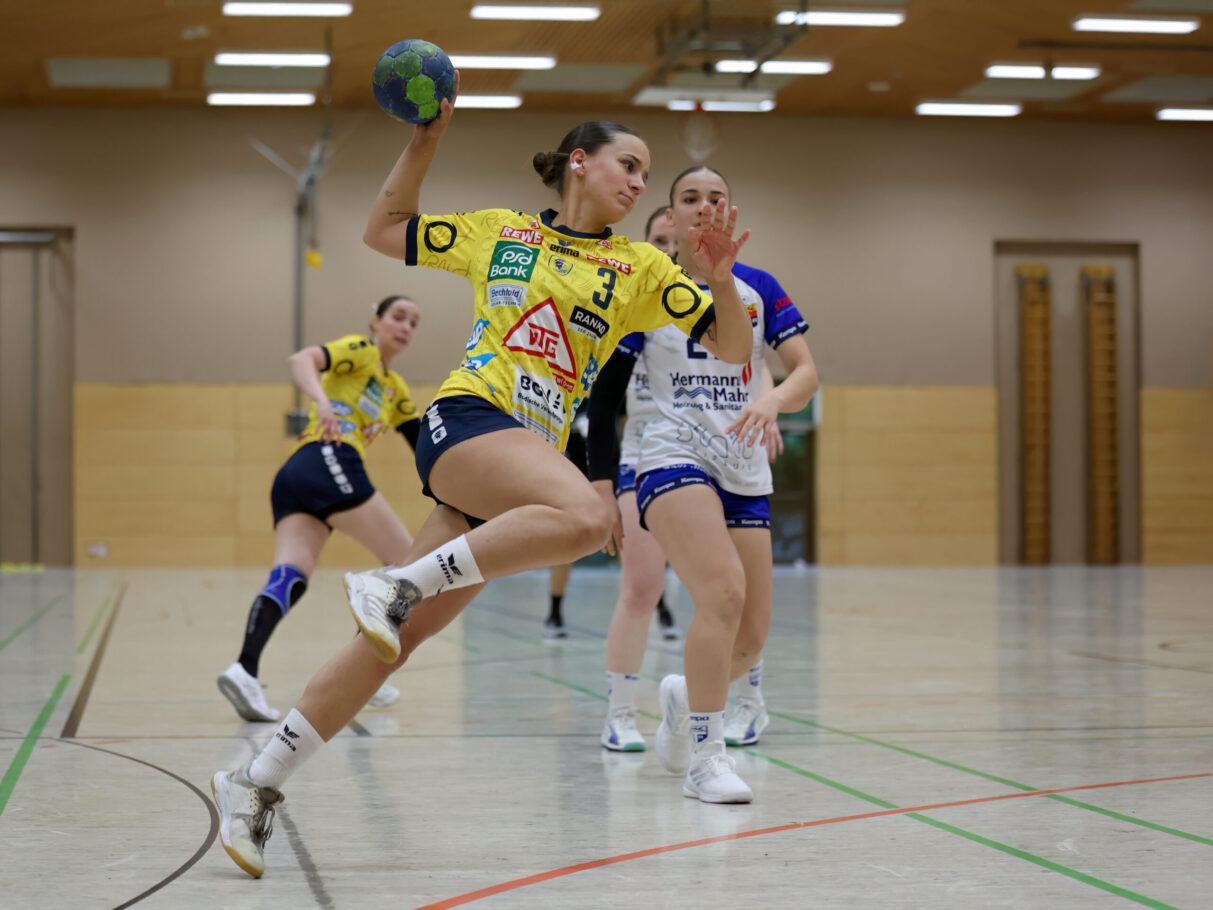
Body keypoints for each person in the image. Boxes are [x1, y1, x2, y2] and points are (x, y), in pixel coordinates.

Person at [209, 93, 757, 877]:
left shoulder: (641, 267)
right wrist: (424, 140)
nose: (641, 183)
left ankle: (255, 782)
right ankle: (397, 584)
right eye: (628, 165)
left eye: (646, 173)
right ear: (579, 162)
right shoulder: (500, 231)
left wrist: (723, 279)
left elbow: (733, 350)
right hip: (466, 419)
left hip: (520, 466)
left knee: (393, 645)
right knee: (585, 514)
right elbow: (383, 228)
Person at [588, 165, 817, 801]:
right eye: (690, 198)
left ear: (730, 210)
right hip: (670, 452)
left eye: (716, 197)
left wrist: (773, 400)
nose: (704, 206)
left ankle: (684, 700)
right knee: (720, 591)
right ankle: (705, 760)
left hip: (742, 461)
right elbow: (604, 398)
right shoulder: (645, 287)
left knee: (751, 634)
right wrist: (602, 486)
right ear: (672, 215)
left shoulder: (759, 286)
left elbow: (804, 373)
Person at [216, 296, 422, 723]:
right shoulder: (361, 351)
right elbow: (301, 360)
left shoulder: (396, 389)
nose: (405, 327)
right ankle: (363, 673)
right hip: (330, 456)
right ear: (376, 321)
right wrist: (321, 401)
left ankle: (244, 670)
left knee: (291, 576)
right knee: (410, 565)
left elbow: (421, 443)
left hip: (298, 475)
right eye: (398, 317)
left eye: (414, 323)